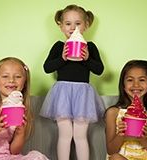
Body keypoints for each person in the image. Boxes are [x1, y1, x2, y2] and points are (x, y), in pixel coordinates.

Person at [40, 4, 105, 160]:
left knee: (80, 135)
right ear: (61, 26)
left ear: (86, 25)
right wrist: (62, 58)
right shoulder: (59, 46)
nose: (72, 27)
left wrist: (87, 58)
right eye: (68, 23)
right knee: (65, 134)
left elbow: (99, 69)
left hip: (83, 95)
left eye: (78, 23)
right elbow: (47, 67)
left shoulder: (90, 47)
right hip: (62, 94)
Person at [0, 57, 49, 160]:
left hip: (7, 157)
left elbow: (14, 151)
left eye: (18, 76)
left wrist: (20, 134)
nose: (11, 80)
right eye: (5, 76)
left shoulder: (21, 109)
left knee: (37, 157)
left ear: (24, 83)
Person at [105, 60, 147, 160]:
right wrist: (121, 135)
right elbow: (110, 151)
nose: (136, 85)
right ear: (123, 85)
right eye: (130, 80)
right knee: (115, 158)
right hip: (122, 158)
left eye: (141, 80)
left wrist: (143, 139)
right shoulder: (113, 113)